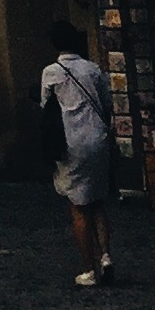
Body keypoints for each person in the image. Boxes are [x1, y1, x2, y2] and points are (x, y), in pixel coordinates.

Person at [40, 19, 115, 288]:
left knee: (79, 207)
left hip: (72, 143)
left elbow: (45, 107)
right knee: (97, 201)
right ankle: (106, 256)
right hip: (98, 140)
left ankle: (88, 269)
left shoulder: (51, 73)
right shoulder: (93, 69)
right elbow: (107, 103)